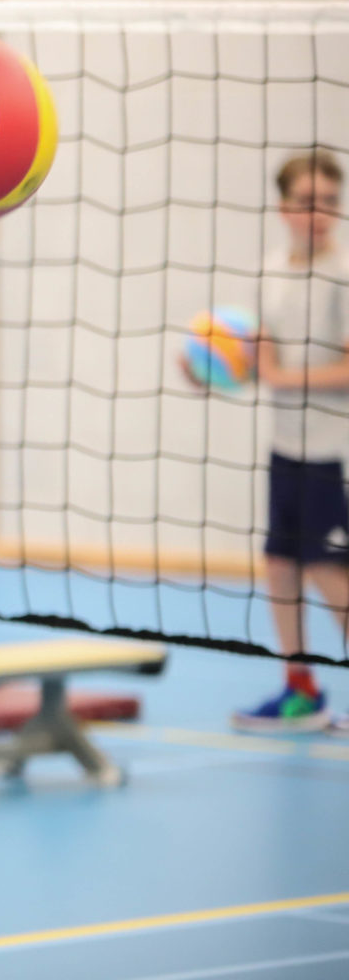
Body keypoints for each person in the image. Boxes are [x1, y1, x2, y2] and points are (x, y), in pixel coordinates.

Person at [225, 149, 349, 733]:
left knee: (331, 572)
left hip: (333, 452)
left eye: (330, 202)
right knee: (279, 563)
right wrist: (212, 371)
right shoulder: (271, 270)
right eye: (307, 202)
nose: (319, 213)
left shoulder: (344, 272)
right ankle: (300, 690)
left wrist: (280, 376)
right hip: (285, 446)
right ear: (284, 209)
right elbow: (261, 359)